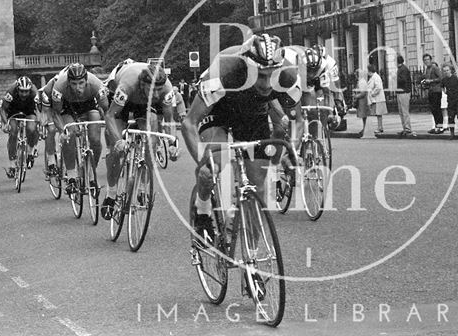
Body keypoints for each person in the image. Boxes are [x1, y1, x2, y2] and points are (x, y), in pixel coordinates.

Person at [181, 33, 303, 247]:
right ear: (248, 67)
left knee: (258, 188)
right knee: (213, 166)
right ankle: (203, 210)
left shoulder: (288, 76)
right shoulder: (224, 72)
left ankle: (252, 260)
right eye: (260, 75)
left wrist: (291, 152)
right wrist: (203, 163)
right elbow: (189, 123)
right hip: (217, 110)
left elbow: (296, 121)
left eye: (270, 76)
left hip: (252, 114)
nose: (266, 84)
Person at [102, 61, 177, 220]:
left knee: (151, 137)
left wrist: (172, 144)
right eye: (152, 89)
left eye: (159, 90)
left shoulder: (167, 89)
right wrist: (118, 141)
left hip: (146, 105)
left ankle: (143, 188)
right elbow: (109, 116)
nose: (156, 94)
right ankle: (111, 194)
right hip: (125, 101)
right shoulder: (127, 86)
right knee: (116, 151)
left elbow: (169, 120)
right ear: (143, 84)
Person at [51, 63, 109, 193]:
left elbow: (106, 109)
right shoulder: (59, 86)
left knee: (95, 139)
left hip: (89, 106)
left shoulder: (96, 84)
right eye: (74, 84)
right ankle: (71, 176)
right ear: (68, 82)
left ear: (86, 80)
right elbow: (56, 113)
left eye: (81, 83)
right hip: (68, 107)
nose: (78, 88)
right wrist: (62, 131)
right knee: (69, 135)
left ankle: (91, 173)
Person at [1, 76, 40, 177]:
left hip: (29, 110)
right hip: (13, 110)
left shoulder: (34, 93)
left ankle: (30, 152)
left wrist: (39, 120)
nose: (24, 94)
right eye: (21, 91)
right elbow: (3, 110)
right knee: (13, 132)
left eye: (26, 91)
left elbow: (39, 110)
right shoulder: (10, 92)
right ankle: (12, 165)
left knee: (32, 128)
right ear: (17, 89)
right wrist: (6, 124)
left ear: (30, 90)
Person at [421, 54, 444, 134]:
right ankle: (436, 126)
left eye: (428, 59)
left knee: (437, 109)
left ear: (431, 60)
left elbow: (441, 78)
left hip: (436, 91)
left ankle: (440, 127)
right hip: (431, 90)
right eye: (425, 60)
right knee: (433, 109)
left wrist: (431, 81)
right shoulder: (427, 69)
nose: (426, 61)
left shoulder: (435, 68)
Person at [367, 64, 387, 135]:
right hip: (377, 99)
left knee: (379, 114)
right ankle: (380, 127)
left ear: (369, 71)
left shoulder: (376, 77)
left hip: (378, 98)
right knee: (378, 114)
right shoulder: (373, 77)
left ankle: (380, 127)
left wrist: (372, 93)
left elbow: (378, 87)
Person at [395, 54, 412, 136]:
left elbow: (403, 80)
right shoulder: (400, 69)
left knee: (404, 111)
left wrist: (395, 78)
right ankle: (405, 128)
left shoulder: (403, 69)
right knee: (401, 112)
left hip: (404, 92)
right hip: (400, 92)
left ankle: (407, 128)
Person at [353, 68, 369, 137]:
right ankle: (364, 128)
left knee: (364, 115)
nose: (355, 77)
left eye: (356, 75)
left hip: (362, 101)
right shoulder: (361, 81)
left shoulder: (362, 82)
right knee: (363, 116)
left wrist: (356, 96)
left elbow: (363, 93)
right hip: (362, 101)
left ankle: (365, 129)